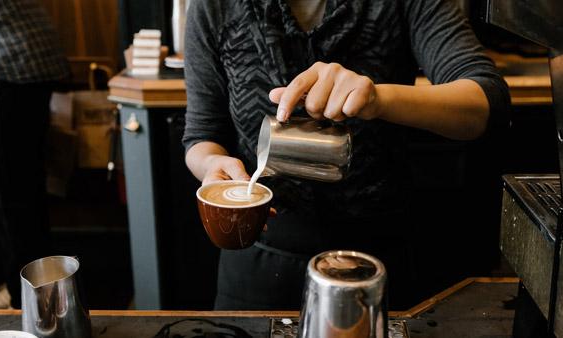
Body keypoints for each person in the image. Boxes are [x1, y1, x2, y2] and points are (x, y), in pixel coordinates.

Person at [183, 0, 510, 310]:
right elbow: (202, 137)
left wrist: (378, 99)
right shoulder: (214, 6)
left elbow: (486, 103)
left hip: (379, 263)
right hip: (259, 267)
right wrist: (213, 164)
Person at [0, 0, 69, 309]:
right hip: (27, 53)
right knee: (24, 189)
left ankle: (21, 297)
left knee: (5, 193)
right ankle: (38, 291)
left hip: (2, 61)